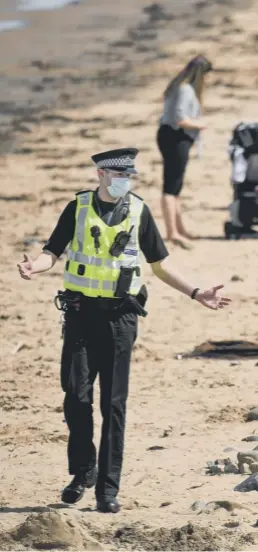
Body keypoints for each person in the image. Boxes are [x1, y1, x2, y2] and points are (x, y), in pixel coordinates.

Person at [17, 147, 230, 514]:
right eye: (118, 176)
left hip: (120, 317)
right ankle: (84, 470)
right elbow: (53, 251)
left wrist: (196, 293)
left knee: (113, 404)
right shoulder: (78, 208)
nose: (124, 182)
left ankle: (106, 489)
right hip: (81, 313)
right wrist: (35, 266)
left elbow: (160, 265)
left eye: (128, 176)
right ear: (101, 175)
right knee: (76, 396)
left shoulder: (138, 210)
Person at [157, 54, 213, 249]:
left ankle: (179, 229)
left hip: (171, 136)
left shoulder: (177, 86)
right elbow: (180, 119)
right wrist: (201, 124)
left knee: (176, 185)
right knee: (171, 186)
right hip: (176, 137)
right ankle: (172, 232)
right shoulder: (185, 90)